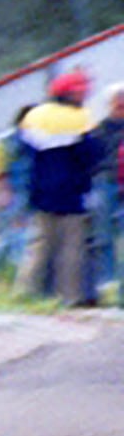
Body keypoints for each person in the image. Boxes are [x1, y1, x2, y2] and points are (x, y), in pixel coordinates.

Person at [14, 69, 104, 307]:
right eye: (82, 89)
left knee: (39, 244)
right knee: (72, 247)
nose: (85, 93)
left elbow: (23, 150)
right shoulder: (80, 118)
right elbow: (91, 154)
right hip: (72, 192)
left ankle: (25, 292)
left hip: (40, 190)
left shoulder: (34, 115)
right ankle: (71, 296)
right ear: (71, 92)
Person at [0, 106, 34, 279]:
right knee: (18, 235)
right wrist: (1, 192)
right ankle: (20, 274)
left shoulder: (41, 140)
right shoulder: (7, 142)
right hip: (13, 194)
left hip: (34, 193)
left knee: (12, 237)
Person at [88, 84, 124, 303]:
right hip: (105, 183)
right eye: (117, 101)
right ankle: (106, 282)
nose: (121, 105)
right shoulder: (99, 130)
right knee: (103, 235)